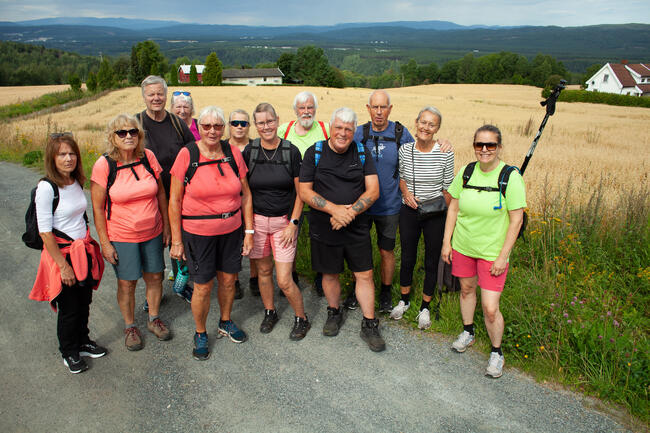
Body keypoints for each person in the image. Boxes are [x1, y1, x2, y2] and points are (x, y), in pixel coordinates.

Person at [168, 106, 253, 361]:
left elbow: (246, 194)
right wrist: (176, 240)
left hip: (231, 230)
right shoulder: (188, 154)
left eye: (217, 126)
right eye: (207, 126)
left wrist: (248, 231)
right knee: (203, 286)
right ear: (199, 127)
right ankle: (200, 331)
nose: (212, 131)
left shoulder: (233, 153)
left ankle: (225, 321)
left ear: (223, 128)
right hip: (198, 233)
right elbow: (174, 200)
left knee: (228, 281)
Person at [441, 124, 526, 379]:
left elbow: (516, 220)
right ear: (474, 146)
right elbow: (453, 208)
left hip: (492, 253)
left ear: (499, 147)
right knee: (466, 290)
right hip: (464, 246)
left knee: (490, 307)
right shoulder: (467, 172)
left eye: (491, 145)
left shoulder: (510, 177)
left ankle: (496, 353)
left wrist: (503, 256)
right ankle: (468, 331)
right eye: (480, 145)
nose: (485, 150)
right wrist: (447, 242)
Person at [299, 107, 385, 352]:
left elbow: (373, 191)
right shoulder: (314, 152)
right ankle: (333, 312)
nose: (343, 133)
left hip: (356, 226)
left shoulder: (361, 152)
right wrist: (334, 210)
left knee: (365, 274)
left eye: (348, 129)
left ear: (353, 131)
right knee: (329, 273)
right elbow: (304, 191)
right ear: (331, 126)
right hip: (325, 226)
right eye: (339, 127)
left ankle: (369, 324)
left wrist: (348, 213)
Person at [90, 114, 172, 352]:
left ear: (140, 135)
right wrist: (105, 243)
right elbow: (97, 207)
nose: (128, 136)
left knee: (155, 276)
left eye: (133, 132)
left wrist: (166, 226)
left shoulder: (148, 157)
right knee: (127, 283)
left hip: (153, 231)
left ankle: (153, 318)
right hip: (122, 235)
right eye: (122, 133)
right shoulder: (104, 165)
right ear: (113, 137)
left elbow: (161, 194)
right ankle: (130, 327)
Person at [29, 133, 106, 374]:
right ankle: (69, 351)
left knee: (84, 301)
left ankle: (83, 341)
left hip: (82, 250)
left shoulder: (75, 181)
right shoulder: (46, 188)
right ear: (52, 158)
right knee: (69, 307)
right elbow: (45, 233)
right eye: (62, 154)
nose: (68, 158)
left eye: (72, 153)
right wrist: (63, 266)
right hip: (63, 255)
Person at [244, 103, 310, 340]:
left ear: (277, 120)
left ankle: (301, 318)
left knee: (284, 279)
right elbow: (244, 193)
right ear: (256, 125)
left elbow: (301, 192)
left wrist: (294, 222)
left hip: (283, 224)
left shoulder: (290, 152)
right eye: (261, 123)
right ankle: (269, 311)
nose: (266, 127)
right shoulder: (249, 152)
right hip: (258, 222)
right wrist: (248, 229)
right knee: (263, 271)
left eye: (270, 121)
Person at [347, 90, 414, 312]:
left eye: (383, 107)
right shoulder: (359, 133)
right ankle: (357, 287)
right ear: (367, 109)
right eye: (374, 107)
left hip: (390, 206)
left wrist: (442, 144)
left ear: (390, 109)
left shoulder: (400, 133)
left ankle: (385, 291)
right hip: (362, 205)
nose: (378, 112)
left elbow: (419, 153)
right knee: (359, 249)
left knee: (386, 251)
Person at [390, 107, 454, 331]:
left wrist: (437, 210)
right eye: (423, 122)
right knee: (407, 256)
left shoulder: (445, 152)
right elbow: (403, 179)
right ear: (416, 123)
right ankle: (404, 300)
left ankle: (425, 306)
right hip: (409, 211)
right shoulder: (405, 150)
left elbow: (448, 188)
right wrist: (406, 195)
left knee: (431, 259)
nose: (426, 127)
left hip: (435, 213)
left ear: (437, 128)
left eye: (432, 124)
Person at [138, 75, 195, 305]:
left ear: (165, 95)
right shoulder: (136, 124)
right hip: (147, 198)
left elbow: (193, 151)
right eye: (151, 94)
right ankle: (154, 292)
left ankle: (181, 286)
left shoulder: (176, 123)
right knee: (152, 244)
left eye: (160, 93)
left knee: (177, 241)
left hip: (177, 195)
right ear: (143, 97)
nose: (156, 98)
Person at [278, 91, 330, 296]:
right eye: (302, 108)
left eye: (310, 108)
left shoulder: (326, 129)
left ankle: (320, 277)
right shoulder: (285, 129)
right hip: (290, 196)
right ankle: (290, 276)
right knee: (290, 237)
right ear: (295, 111)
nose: (306, 112)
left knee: (320, 238)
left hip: (320, 194)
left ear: (315, 110)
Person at [227, 109, 256, 299]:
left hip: (253, 200)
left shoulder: (256, 147)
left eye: (243, 123)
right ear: (229, 126)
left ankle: (254, 278)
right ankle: (234, 280)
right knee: (232, 244)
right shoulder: (222, 148)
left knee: (255, 240)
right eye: (235, 123)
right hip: (229, 202)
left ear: (249, 126)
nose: (239, 126)